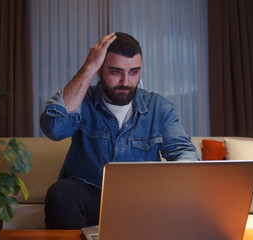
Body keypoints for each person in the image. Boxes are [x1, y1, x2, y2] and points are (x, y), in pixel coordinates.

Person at [40, 32, 201, 229]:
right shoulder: (82, 100)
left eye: (134, 72)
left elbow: (184, 151)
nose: (126, 81)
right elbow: (54, 129)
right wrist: (88, 67)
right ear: (99, 70)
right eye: (116, 72)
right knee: (61, 193)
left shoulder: (159, 108)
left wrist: (178, 178)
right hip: (91, 199)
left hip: (143, 203)